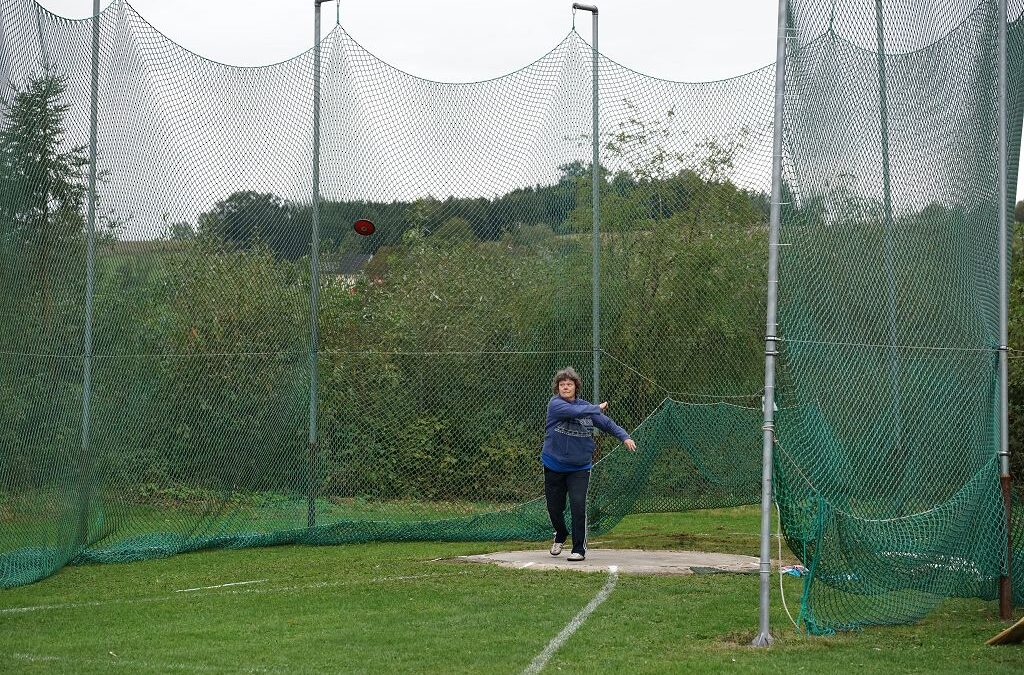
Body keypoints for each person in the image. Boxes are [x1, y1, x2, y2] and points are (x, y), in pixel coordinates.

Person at [541, 367, 636, 561]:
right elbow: (573, 411)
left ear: (576, 387)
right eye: (562, 385)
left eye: (569, 384)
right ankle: (560, 534)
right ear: (557, 388)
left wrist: (624, 437)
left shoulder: (586, 408)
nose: (565, 387)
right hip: (554, 465)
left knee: (578, 505)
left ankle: (578, 549)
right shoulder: (555, 404)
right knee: (554, 508)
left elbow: (607, 424)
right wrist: (596, 407)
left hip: (579, 467)